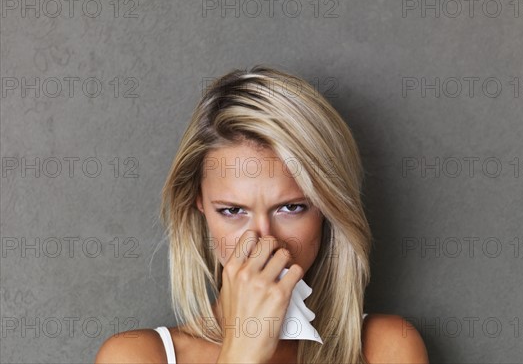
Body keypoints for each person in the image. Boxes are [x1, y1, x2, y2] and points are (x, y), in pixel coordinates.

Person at [95, 65, 429, 363]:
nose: (263, 241)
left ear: (328, 208)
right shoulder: (136, 356)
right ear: (199, 204)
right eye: (233, 211)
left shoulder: (385, 348)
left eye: (291, 207)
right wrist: (241, 353)